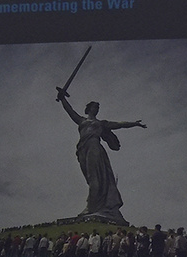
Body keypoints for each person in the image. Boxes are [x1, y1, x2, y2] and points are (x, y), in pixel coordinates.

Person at [57, 90, 146, 224]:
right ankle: (96, 205)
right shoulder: (81, 120)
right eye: (95, 107)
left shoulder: (101, 123)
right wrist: (62, 98)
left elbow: (119, 125)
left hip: (94, 147)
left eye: (98, 108)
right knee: (89, 178)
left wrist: (134, 123)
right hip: (82, 149)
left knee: (94, 177)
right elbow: (70, 111)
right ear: (89, 109)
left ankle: (90, 208)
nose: (97, 109)